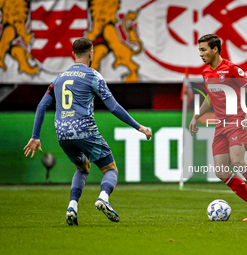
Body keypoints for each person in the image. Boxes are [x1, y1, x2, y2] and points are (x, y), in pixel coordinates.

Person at [24, 37, 152, 226]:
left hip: (63, 133)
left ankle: (72, 207)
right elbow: (114, 107)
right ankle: (103, 198)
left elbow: (42, 105)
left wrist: (35, 136)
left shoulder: (59, 78)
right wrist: (139, 127)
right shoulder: (93, 76)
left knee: (83, 167)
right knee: (110, 168)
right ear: (91, 53)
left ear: (72, 54)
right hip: (84, 130)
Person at [189, 34, 247, 221]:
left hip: (236, 121)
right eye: (199, 50)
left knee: (238, 161)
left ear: (215, 49)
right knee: (221, 171)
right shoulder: (206, 72)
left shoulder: (231, 69)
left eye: (203, 50)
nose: (201, 54)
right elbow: (210, 97)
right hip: (220, 125)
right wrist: (196, 116)